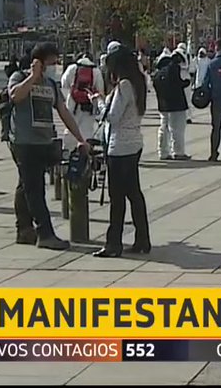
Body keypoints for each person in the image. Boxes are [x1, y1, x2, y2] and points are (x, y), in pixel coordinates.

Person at [7, 42, 91, 250]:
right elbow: (15, 96)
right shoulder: (19, 77)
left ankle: (24, 229)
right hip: (24, 142)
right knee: (35, 189)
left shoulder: (51, 85)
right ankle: (45, 233)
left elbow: (64, 112)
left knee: (26, 186)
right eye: (52, 62)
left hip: (43, 142)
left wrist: (80, 138)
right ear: (39, 62)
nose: (55, 66)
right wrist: (32, 77)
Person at [94, 46, 152, 257]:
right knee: (134, 194)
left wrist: (99, 102)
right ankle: (142, 239)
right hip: (134, 143)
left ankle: (113, 243)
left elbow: (112, 116)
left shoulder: (124, 85)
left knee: (117, 198)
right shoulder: (139, 82)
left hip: (119, 146)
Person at [60, 53, 104, 153]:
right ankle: (84, 155)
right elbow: (100, 90)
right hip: (88, 107)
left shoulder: (72, 68)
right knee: (86, 132)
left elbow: (64, 83)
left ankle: (68, 152)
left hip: (72, 105)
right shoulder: (96, 70)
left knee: (70, 129)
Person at [153, 48, 191, 161]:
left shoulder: (157, 74)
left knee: (163, 128)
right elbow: (177, 83)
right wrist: (186, 83)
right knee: (177, 129)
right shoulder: (173, 68)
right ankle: (178, 152)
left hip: (163, 106)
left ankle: (163, 152)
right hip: (177, 104)